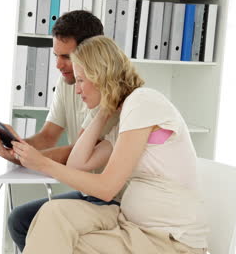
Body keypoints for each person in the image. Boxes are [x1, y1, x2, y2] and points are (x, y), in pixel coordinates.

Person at [11, 36, 209, 254]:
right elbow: (78, 164)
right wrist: (104, 112)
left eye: (81, 80)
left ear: (101, 76)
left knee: (62, 244)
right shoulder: (122, 114)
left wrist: (42, 164)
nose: (77, 90)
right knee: (54, 213)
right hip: (130, 224)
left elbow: (106, 188)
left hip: (168, 240)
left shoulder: (143, 103)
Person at [0, 10, 118, 251]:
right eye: (55, 55)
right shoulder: (67, 83)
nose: (58, 65)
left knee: (33, 221)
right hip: (87, 191)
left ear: (91, 52)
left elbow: (80, 152)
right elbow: (48, 136)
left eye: (66, 57)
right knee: (20, 219)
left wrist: (24, 158)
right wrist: (14, 143)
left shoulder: (109, 88)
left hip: (111, 196)